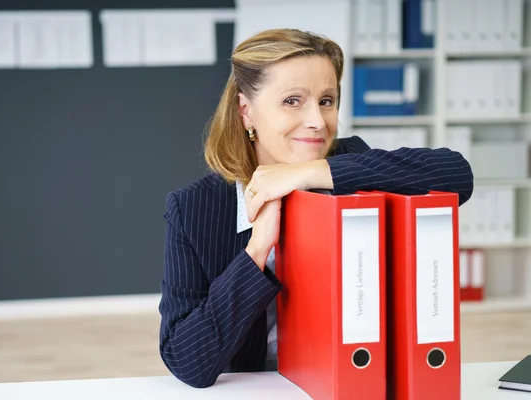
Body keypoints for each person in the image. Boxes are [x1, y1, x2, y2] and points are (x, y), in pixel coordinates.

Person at [158, 28, 473, 389]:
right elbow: (187, 361)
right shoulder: (195, 207)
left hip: (356, 381)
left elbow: (456, 174)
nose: (317, 122)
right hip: (259, 388)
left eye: (327, 101)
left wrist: (310, 172)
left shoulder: (350, 161)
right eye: (292, 101)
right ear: (246, 111)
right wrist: (255, 252)